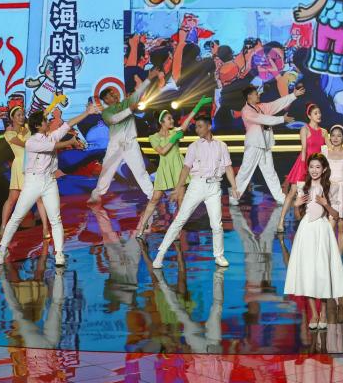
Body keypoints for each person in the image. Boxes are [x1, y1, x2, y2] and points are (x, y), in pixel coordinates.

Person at [0, 101, 100, 266]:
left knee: (56, 219)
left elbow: (68, 124)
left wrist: (87, 113)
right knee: (16, 217)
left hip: (49, 182)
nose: (48, 122)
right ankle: (2, 251)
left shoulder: (50, 136)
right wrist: (70, 142)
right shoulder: (31, 142)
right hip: (33, 182)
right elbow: (51, 146)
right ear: (38, 126)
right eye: (45, 121)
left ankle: (59, 254)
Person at [152, 115, 240, 269]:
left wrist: (234, 187)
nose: (197, 129)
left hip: (214, 187)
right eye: (196, 126)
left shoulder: (222, 146)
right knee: (180, 220)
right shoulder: (194, 147)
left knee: (217, 225)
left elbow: (227, 167)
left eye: (200, 126)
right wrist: (177, 188)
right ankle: (160, 254)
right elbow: (186, 168)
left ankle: (219, 256)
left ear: (209, 126)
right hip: (197, 186)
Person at [284, 154, 343, 329]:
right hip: (306, 230)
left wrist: (326, 204)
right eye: (311, 167)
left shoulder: (331, 186)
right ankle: (314, 314)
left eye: (318, 167)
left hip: (322, 229)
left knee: (322, 271)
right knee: (308, 271)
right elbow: (298, 217)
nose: (314, 170)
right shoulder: (303, 186)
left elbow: (336, 215)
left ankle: (323, 313)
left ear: (324, 169)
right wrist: (296, 205)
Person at [89, 70, 163, 204]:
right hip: (115, 146)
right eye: (111, 95)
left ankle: (151, 195)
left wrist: (149, 79)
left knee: (140, 170)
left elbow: (138, 93)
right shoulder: (106, 112)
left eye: (114, 92)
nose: (115, 95)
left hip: (130, 143)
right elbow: (114, 119)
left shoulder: (126, 103)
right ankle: (97, 194)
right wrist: (130, 110)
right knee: (107, 172)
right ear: (106, 100)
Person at [133, 102, 205, 239]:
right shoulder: (154, 137)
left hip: (178, 167)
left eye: (172, 118)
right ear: (162, 122)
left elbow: (185, 124)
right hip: (164, 169)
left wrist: (197, 107)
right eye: (169, 119)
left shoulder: (175, 132)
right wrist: (173, 140)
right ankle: (142, 226)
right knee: (154, 199)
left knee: (181, 201)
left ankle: (177, 231)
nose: (172, 120)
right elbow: (162, 151)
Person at [235, 85, 305, 205]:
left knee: (270, 172)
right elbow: (263, 119)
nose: (258, 95)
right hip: (254, 145)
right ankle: (234, 196)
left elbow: (276, 104)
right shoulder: (246, 111)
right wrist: (282, 119)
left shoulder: (261, 107)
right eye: (256, 94)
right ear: (249, 96)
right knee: (245, 172)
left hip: (265, 144)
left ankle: (280, 197)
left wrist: (293, 95)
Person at [0, 106, 51, 241]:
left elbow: (40, 118)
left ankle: (45, 228)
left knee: (39, 198)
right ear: (12, 118)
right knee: (12, 199)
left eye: (22, 114)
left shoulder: (28, 127)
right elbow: (23, 144)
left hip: (31, 166)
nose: (21, 117)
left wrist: (53, 104)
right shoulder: (9, 133)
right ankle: (3, 227)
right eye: (18, 115)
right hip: (19, 167)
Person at [277, 103, 329, 233]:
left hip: (317, 167)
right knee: (292, 192)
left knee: (318, 193)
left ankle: (317, 221)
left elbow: (328, 150)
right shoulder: (305, 129)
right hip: (304, 164)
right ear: (309, 116)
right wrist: (304, 167)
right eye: (316, 113)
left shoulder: (324, 132)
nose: (319, 115)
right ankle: (281, 221)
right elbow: (304, 149)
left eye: (319, 112)